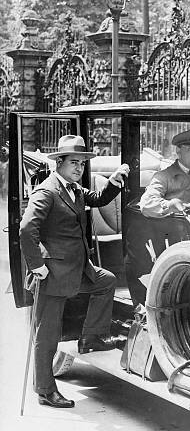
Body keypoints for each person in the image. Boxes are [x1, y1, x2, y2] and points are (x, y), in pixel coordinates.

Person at [19, 135, 130, 409]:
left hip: (78, 270)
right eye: (73, 163)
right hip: (53, 274)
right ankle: (45, 390)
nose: (79, 168)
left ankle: (90, 338)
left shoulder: (75, 190)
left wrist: (115, 181)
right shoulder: (47, 192)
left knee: (106, 282)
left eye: (82, 163)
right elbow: (26, 231)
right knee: (47, 335)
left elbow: (99, 198)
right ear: (59, 163)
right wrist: (37, 266)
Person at [124, 128, 190, 307]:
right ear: (178, 152)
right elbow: (147, 205)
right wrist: (170, 205)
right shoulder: (164, 176)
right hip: (172, 240)